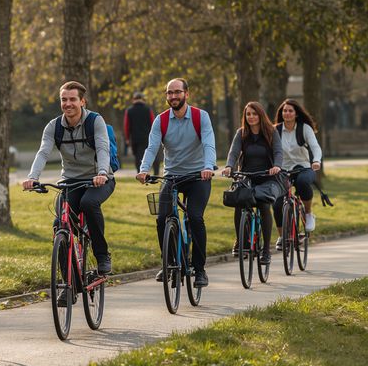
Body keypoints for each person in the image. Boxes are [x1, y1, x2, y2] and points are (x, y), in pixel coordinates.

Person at [23, 81, 116, 279]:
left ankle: (101, 256)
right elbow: (43, 153)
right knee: (60, 225)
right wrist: (33, 177)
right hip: (70, 182)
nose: (68, 103)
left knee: (89, 203)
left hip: (99, 179)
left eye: (72, 99)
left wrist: (101, 173)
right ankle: (68, 284)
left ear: (82, 101)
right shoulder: (54, 126)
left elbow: (102, 149)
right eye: (64, 100)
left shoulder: (95, 121)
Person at [135, 78, 217, 286]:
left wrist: (208, 167)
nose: (173, 96)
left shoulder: (201, 117)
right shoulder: (161, 120)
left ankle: (199, 270)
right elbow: (152, 147)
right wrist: (144, 169)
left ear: (186, 94)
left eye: (177, 92)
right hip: (172, 176)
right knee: (162, 218)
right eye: (169, 93)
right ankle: (170, 264)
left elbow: (209, 144)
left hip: (199, 176)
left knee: (195, 217)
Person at [220, 102, 283, 265]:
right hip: (246, 176)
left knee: (263, 206)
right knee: (238, 201)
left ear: (260, 115)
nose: (251, 117)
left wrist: (276, 166)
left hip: (267, 177)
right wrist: (229, 166)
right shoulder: (241, 133)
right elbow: (233, 152)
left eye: (254, 114)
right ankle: (241, 240)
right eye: (248, 114)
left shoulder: (271, 132)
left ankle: (266, 251)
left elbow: (278, 151)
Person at [273, 98, 324, 240]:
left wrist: (316, 161)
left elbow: (315, 147)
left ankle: (308, 214)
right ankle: (283, 237)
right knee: (277, 203)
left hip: (303, 167)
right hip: (282, 170)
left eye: (290, 111)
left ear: (296, 113)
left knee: (302, 182)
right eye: (284, 111)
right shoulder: (275, 130)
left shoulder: (304, 128)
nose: (287, 113)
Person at [124, 91, 157, 173]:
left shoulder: (129, 110)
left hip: (135, 137)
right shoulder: (148, 109)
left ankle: (140, 172)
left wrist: (127, 138)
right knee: (149, 153)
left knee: (137, 156)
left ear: (133, 99)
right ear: (142, 99)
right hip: (147, 137)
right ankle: (154, 171)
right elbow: (153, 123)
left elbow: (126, 126)